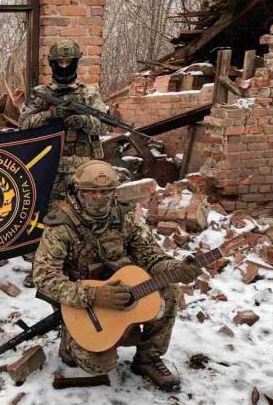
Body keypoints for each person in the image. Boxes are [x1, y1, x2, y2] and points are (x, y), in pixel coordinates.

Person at [32, 160, 202, 391]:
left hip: (126, 290)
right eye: (92, 192)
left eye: (106, 191)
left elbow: (150, 255)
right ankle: (71, 340)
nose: (99, 197)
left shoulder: (124, 217)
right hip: (83, 305)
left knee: (170, 291)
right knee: (100, 365)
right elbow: (44, 276)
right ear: (78, 191)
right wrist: (93, 295)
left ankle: (148, 359)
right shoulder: (62, 225)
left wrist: (174, 268)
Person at [19, 38, 110, 287]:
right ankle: (42, 269)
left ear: (76, 62)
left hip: (85, 168)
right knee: (50, 218)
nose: (64, 65)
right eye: (59, 61)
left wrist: (83, 121)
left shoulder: (89, 93)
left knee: (87, 217)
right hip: (51, 166)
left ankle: (83, 268)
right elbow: (23, 123)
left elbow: (103, 123)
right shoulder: (42, 94)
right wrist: (52, 115)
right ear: (52, 63)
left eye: (68, 61)